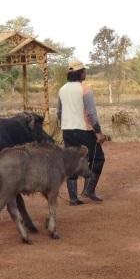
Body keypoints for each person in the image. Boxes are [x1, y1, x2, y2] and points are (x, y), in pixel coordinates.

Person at [57, 59, 107, 204]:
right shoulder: (85, 89)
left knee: (72, 161)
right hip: (84, 130)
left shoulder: (62, 90)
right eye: (84, 71)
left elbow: (59, 112)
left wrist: (65, 123)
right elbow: (91, 113)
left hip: (67, 130)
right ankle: (88, 190)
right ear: (80, 73)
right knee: (98, 158)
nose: (85, 73)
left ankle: (73, 198)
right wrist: (98, 132)